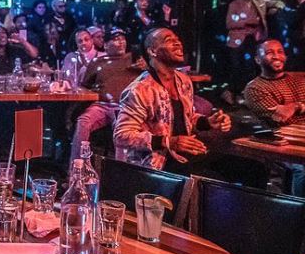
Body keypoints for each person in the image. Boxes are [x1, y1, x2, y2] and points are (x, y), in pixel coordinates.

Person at [114, 28, 232, 172]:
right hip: (157, 165)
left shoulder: (184, 80)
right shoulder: (139, 90)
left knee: (244, 168)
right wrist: (169, 142)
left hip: (185, 157)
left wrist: (207, 122)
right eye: (169, 41)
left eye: (177, 40)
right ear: (152, 51)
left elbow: (184, 118)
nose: (178, 43)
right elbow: (121, 135)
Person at [243, 40, 305, 196]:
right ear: (258, 60)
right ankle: (298, 213)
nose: (276, 56)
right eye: (269, 53)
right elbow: (281, 118)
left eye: (280, 51)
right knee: (302, 168)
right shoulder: (254, 88)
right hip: (284, 142)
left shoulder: (304, 77)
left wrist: (296, 107)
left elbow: (289, 111)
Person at [70, 29, 144, 162]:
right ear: (106, 45)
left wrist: (147, 66)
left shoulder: (134, 58)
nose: (121, 42)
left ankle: (119, 174)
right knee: (83, 122)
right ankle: (77, 169)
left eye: (123, 39)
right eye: (116, 39)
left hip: (125, 107)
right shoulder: (97, 62)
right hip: (101, 106)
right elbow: (85, 87)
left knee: (122, 130)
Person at [225, 0, 284, 103]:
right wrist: (247, 22)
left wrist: (274, 10)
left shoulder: (259, 1)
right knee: (236, 68)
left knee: (251, 67)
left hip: (254, 39)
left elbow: (279, 3)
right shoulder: (234, 4)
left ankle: (249, 95)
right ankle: (233, 94)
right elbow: (230, 24)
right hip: (237, 40)